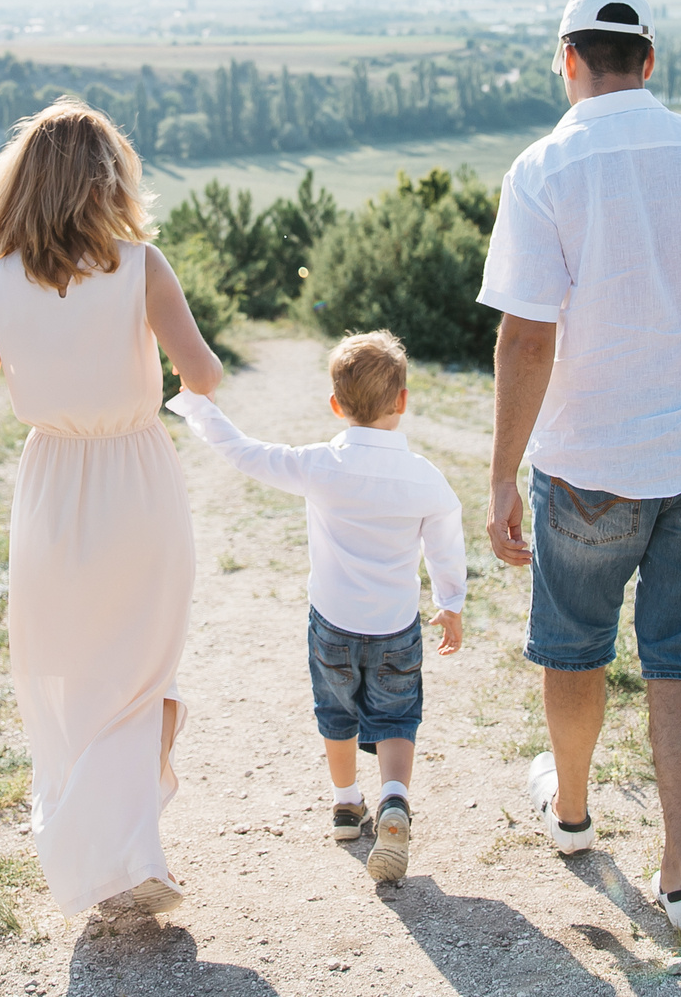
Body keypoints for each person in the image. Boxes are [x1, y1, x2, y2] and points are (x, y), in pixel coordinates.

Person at [477, 0, 681, 933]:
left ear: (567, 59)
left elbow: (527, 340)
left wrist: (500, 474)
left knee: (574, 644)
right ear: (649, 61)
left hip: (588, 462)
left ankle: (572, 815)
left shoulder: (544, 167)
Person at [0, 99, 225, 918]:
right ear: (107, 180)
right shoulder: (143, 266)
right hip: (138, 481)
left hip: (51, 491)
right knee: (144, 666)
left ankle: (112, 852)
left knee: (75, 671)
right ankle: (128, 852)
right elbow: (203, 375)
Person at [166, 331, 465, 884]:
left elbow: (245, 451)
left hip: (331, 624)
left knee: (336, 711)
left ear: (336, 405)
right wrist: (451, 602)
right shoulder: (425, 477)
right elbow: (445, 539)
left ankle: (348, 805)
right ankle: (394, 800)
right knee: (397, 714)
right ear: (402, 401)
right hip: (396, 626)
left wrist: (198, 404)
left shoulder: (319, 465)